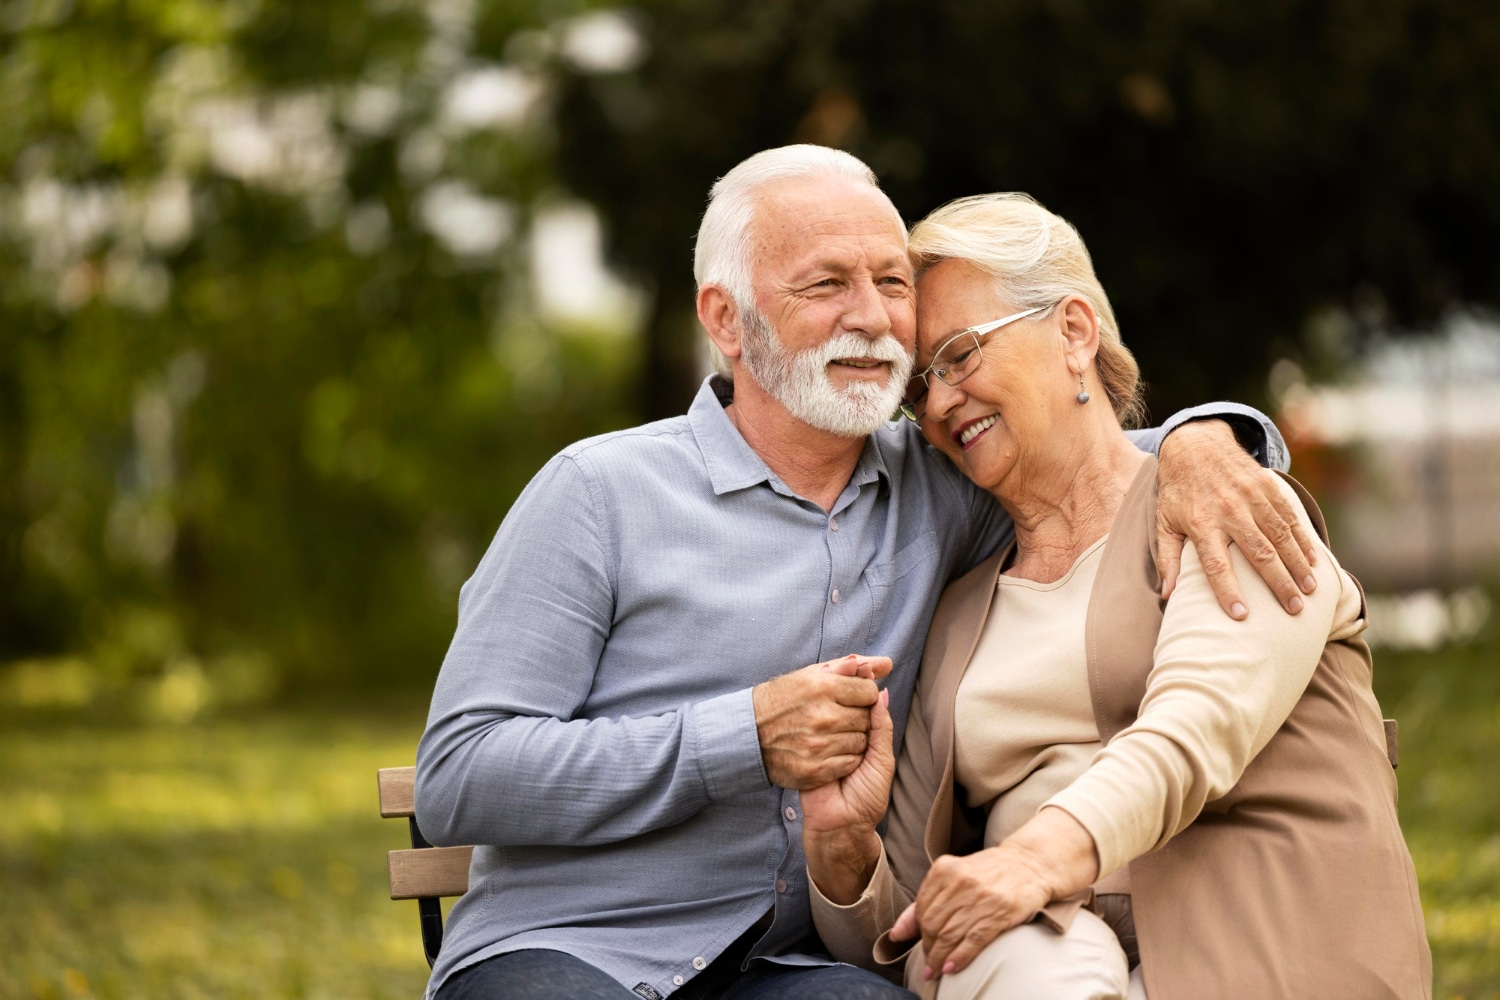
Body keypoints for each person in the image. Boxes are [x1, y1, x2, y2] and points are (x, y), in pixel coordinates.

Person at [414, 146, 1318, 1000]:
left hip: (791, 969)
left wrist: (1212, 437)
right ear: (726, 318)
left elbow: (1093, 456)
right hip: (574, 953)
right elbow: (458, 775)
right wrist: (745, 739)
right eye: (826, 285)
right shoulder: (596, 494)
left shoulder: (945, 479)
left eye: (891, 282)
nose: (873, 316)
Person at [802, 192, 1431, 1000]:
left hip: (1262, 954)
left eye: (959, 355)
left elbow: (1193, 731)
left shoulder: (1226, 507)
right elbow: (907, 929)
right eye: (918, 386)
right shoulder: (958, 613)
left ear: (1073, 332)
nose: (941, 401)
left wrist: (1027, 863)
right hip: (1042, 970)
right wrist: (843, 845)